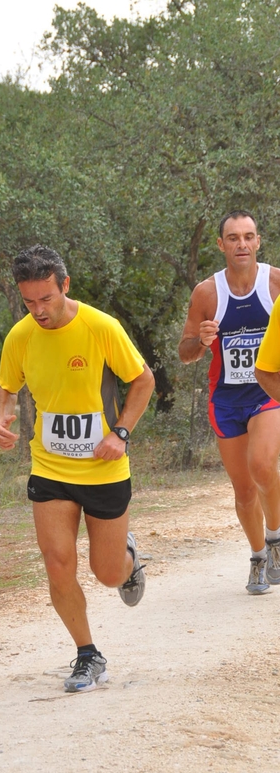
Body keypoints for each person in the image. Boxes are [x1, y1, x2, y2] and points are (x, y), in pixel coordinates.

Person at [0, 244, 155, 693]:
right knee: (57, 562)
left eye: (46, 298)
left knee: (107, 573)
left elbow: (143, 380)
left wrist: (120, 433)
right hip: (50, 468)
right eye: (29, 301)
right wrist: (0, 418)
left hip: (104, 469)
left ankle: (128, 557)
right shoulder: (20, 336)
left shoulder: (101, 327)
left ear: (64, 285)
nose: (39, 310)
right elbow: (5, 387)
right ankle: (88, 654)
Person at [178, 210, 280, 594]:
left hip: (267, 393)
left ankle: (275, 538)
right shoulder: (207, 293)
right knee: (244, 490)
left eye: (248, 236)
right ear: (220, 244)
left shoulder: (275, 283)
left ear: (258, 241)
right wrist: (201, 341)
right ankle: (257, 558)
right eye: (233, 238)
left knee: (263, 466)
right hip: (225, 400)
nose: (242, 244)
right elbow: (185, 352)